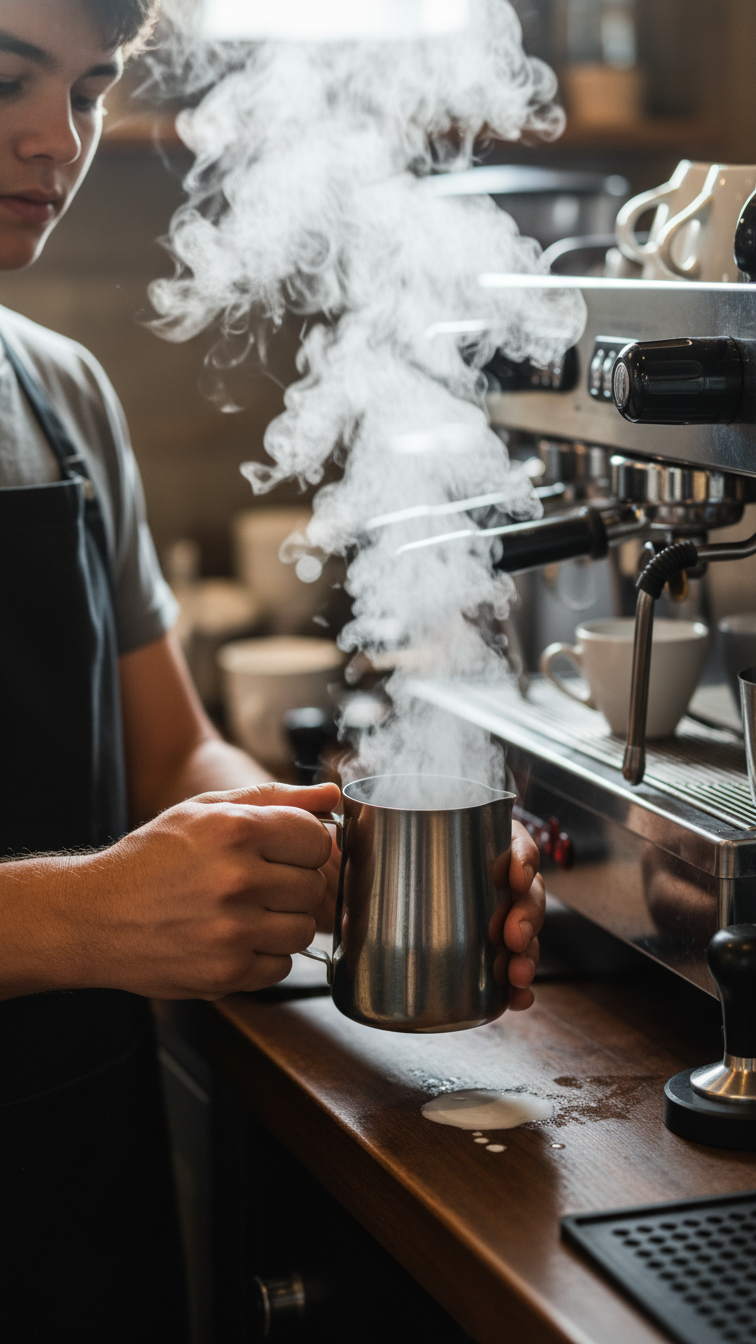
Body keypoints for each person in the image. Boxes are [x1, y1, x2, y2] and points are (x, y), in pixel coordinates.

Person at [0, 0, 546, 1338]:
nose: (50, 142)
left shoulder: (59, 396)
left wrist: (334, 857)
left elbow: (173, 752)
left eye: (83, 95)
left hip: (67, 1165)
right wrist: (73, 920)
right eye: (8, 83)